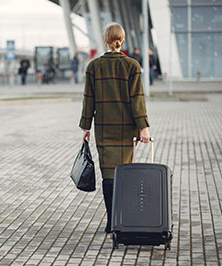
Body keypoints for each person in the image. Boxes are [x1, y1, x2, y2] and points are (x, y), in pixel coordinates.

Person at [79, 23, 150, 233]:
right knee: (124, 173)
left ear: (105, 40)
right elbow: (138, 100)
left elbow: (88, 100)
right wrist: (143, 128)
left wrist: (86, 127)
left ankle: (111, 221)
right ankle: (122, 220)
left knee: (108, 175)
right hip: (127, 129)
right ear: (123, 40)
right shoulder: (132, 65)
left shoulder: (93, 66)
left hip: (103, 128)